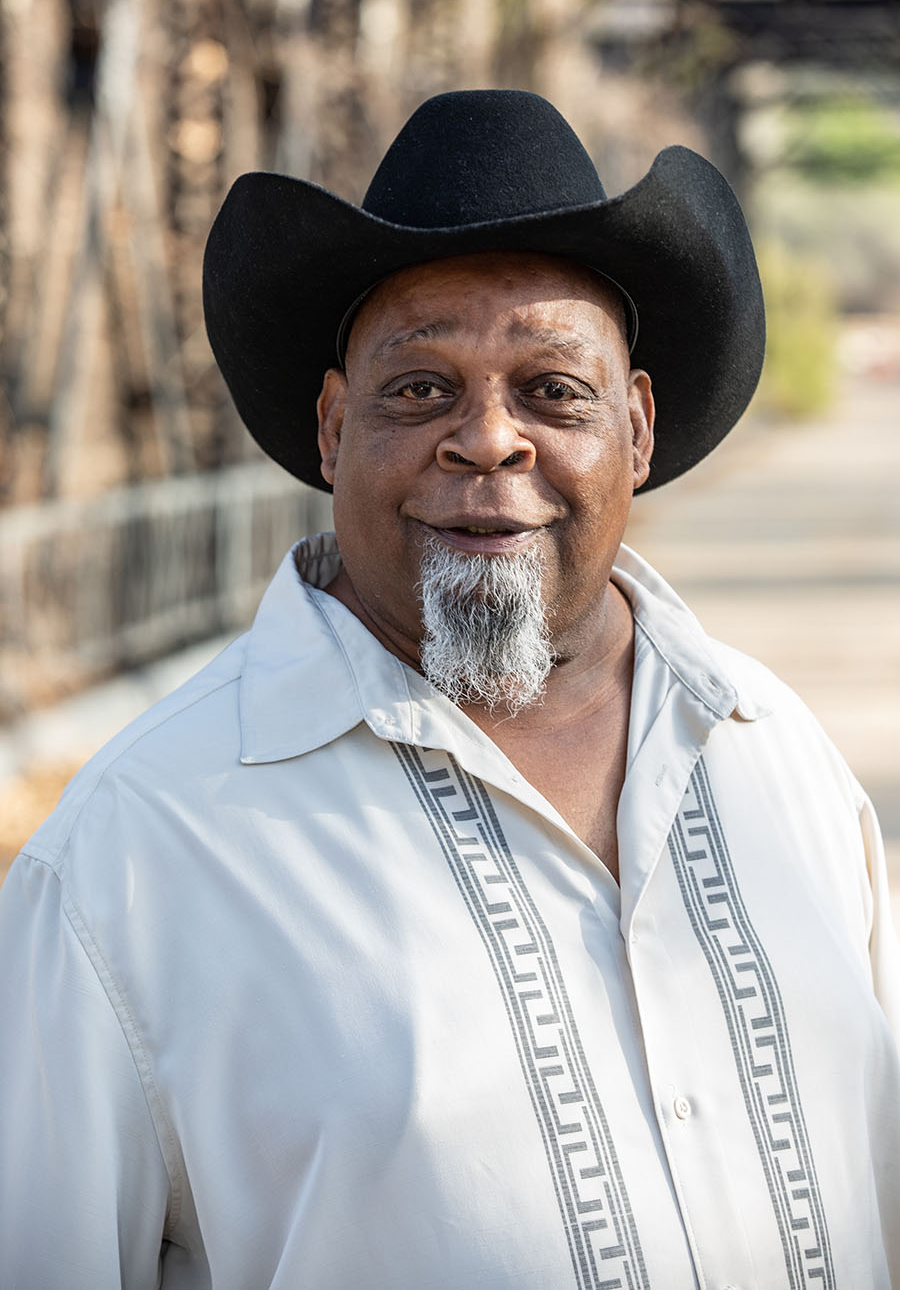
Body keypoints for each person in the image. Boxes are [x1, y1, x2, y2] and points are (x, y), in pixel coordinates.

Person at [1, 89, 897, 1289]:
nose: (488, 439)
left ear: (636, 428)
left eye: (553, 390)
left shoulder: (779, 759)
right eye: (421, 388)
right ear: (333, 430)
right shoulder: (136, 855)